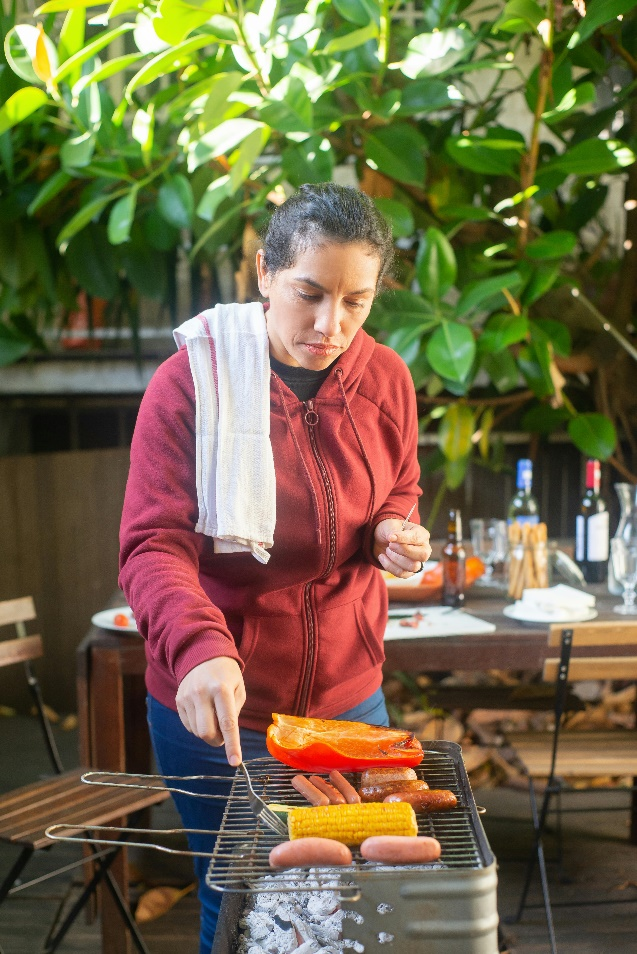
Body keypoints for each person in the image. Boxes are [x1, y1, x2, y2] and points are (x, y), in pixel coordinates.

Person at [119, 183, 432, 953]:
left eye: (356, 302)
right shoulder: (191, 381)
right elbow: (152, 544)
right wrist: (199, 650)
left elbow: (398, 487)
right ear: (263, 274)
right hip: (225, 704)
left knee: (345, 910)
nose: (331, 326)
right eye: (309, 294)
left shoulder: (385, 376)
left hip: (350, 700)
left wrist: (394, 530)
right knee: (241, 906)